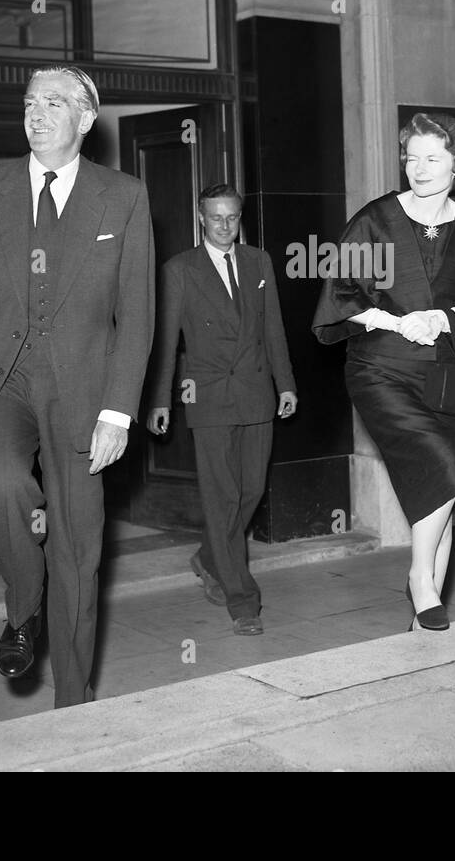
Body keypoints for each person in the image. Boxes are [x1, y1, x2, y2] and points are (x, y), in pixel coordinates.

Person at [0, 65, 154, 706]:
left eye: (54, 102)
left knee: (78, 547)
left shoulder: (124, 197)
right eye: (29, 102)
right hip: (4, 380)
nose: (37, 112)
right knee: (1, 485)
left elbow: (137, 314)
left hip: (85, 389)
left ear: (85, 117)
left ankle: (74, 703)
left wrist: (118, 412)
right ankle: (24, 607)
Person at [312, 112, 455, 631]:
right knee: (439, 461)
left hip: (441, 374)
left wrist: (441, 317)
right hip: (380, 369)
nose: (418, 169)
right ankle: (421, 581)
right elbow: (341, 296)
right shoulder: (375, 220)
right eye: (411, 157)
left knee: (447, 480)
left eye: (432, 158)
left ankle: (425, 614)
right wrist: (399, 324)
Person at [145, 184, 297, 636]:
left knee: (251, 490)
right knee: (223, 497)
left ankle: (209, 557)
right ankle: (242, 600)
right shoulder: (180, 270)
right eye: (216, 218)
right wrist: (160, 400)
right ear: (201, 217)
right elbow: (167, 341)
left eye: (232, 217)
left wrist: (285, 384)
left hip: (256, 392)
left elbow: (274, 329)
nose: (225, 226)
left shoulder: (258, 262)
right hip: (206, 395)